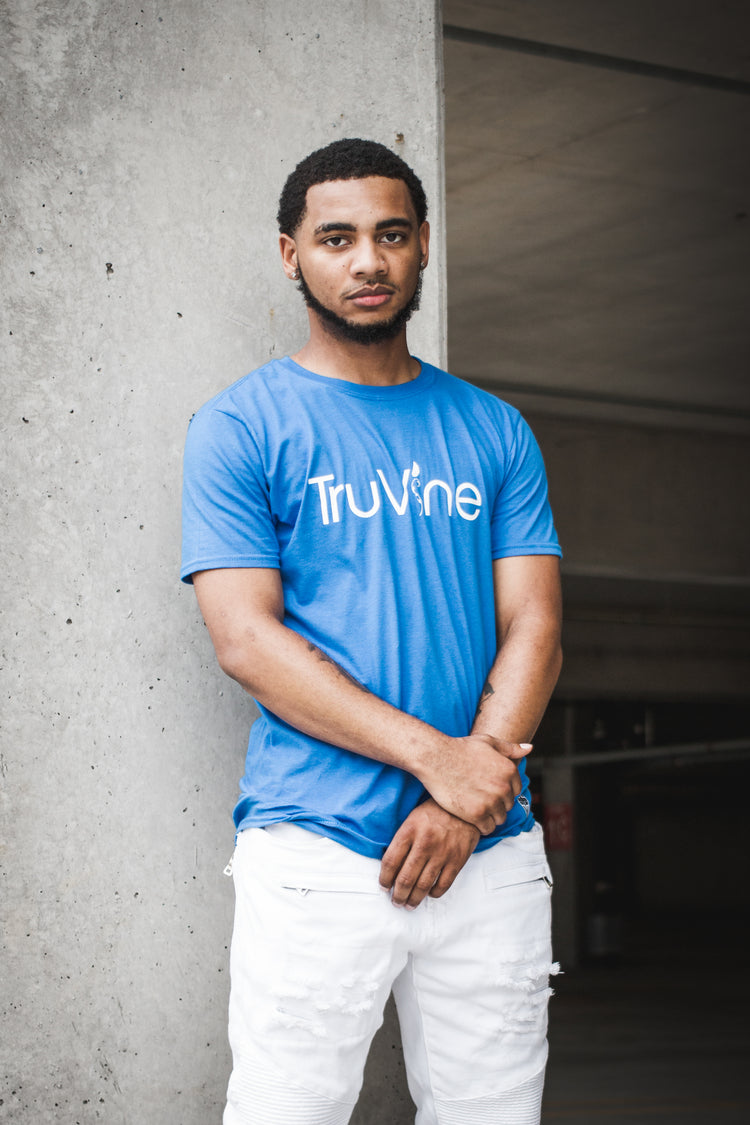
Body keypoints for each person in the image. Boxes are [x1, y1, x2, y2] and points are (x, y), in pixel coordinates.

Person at [181, 137, 563, 1125]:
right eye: (337, 238)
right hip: (319, 848)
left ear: (424, 243)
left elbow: (536, 624)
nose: (369, 261)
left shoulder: (495, 428)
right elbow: (246, 640)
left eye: (391, 235)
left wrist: (469, 793)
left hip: (488, 851)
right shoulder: (241, 426)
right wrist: (443, 762)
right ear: (291, 254)